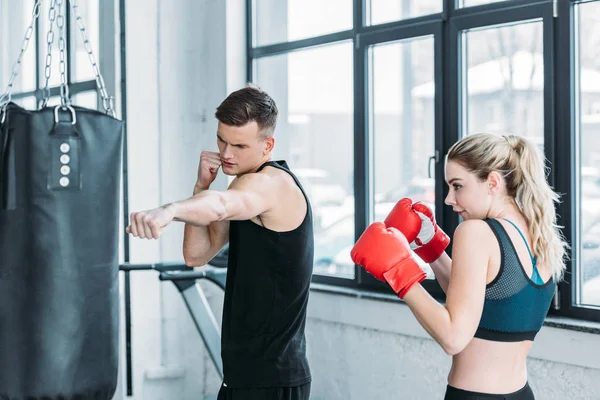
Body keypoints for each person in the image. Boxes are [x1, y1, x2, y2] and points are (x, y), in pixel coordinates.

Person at [126, 85, 313, 400]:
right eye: (221, 140)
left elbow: (221, 206)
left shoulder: (270, 185)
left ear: (268, 145)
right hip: (243, 375)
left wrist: (170, 210)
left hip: (272, 379)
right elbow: (196, 255)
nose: (226, 154)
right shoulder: (240, 183)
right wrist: (201, 185)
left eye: (239, 145)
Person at [351, 133, 568, 400]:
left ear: (492, 182)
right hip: (521, 393)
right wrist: (431, 248)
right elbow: (479, 298)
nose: (449, 199)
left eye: (458, 186)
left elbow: (453, 337)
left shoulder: (476, 232)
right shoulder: (538, 234)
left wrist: (398, 270)